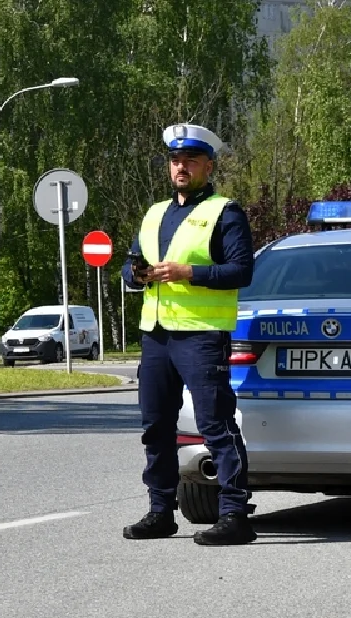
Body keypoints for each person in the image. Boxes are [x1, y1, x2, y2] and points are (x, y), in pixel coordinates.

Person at [120, 123, 256, 546]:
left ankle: (234, 514)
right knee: (156, 425)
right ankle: (161, 510)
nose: (181, 167)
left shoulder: (224, 211)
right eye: (176, 161)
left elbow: (242, 270)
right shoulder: (155, 212)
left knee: (214, 424)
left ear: (208, 166)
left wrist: (188, 273)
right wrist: (136, 274)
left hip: (200, 335)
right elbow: (131, 264)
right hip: (157, 335)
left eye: (190, 161)